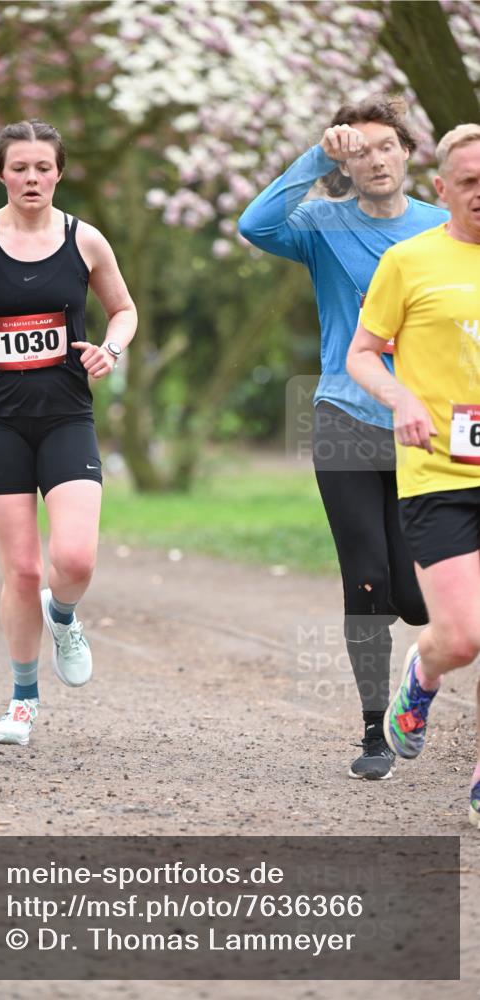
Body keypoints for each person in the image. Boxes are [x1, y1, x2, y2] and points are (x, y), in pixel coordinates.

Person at [238, 97, 449, 780]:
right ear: (344, 164)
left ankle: (410, 689)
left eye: (384, 145)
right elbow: (254, 223)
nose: (373, 159)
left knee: (418, 597)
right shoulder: (320, 224)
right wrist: (314, 158)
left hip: (431, 424)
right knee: (365, 578)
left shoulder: (444, 227)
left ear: (408, 153)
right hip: (346, 416)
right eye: (356, 151)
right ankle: (370, 732)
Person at [0, 119, 137, 746]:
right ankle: (22, 700)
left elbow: (123, 311)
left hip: (67, 415)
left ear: (59, 172)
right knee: (20, 570)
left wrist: (111, 351)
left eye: (43, 167)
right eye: (20, 168)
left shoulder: (85, 240)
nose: (32, 178)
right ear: (1, 174)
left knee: (73, 557)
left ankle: (63, 615)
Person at [347, 123, 480, 827]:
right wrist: (399, 397)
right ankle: (422, 676)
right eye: (468, 182)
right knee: (461, 635)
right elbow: (362, 353)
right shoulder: (408, 261)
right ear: (440, 189)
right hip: (438, 473)